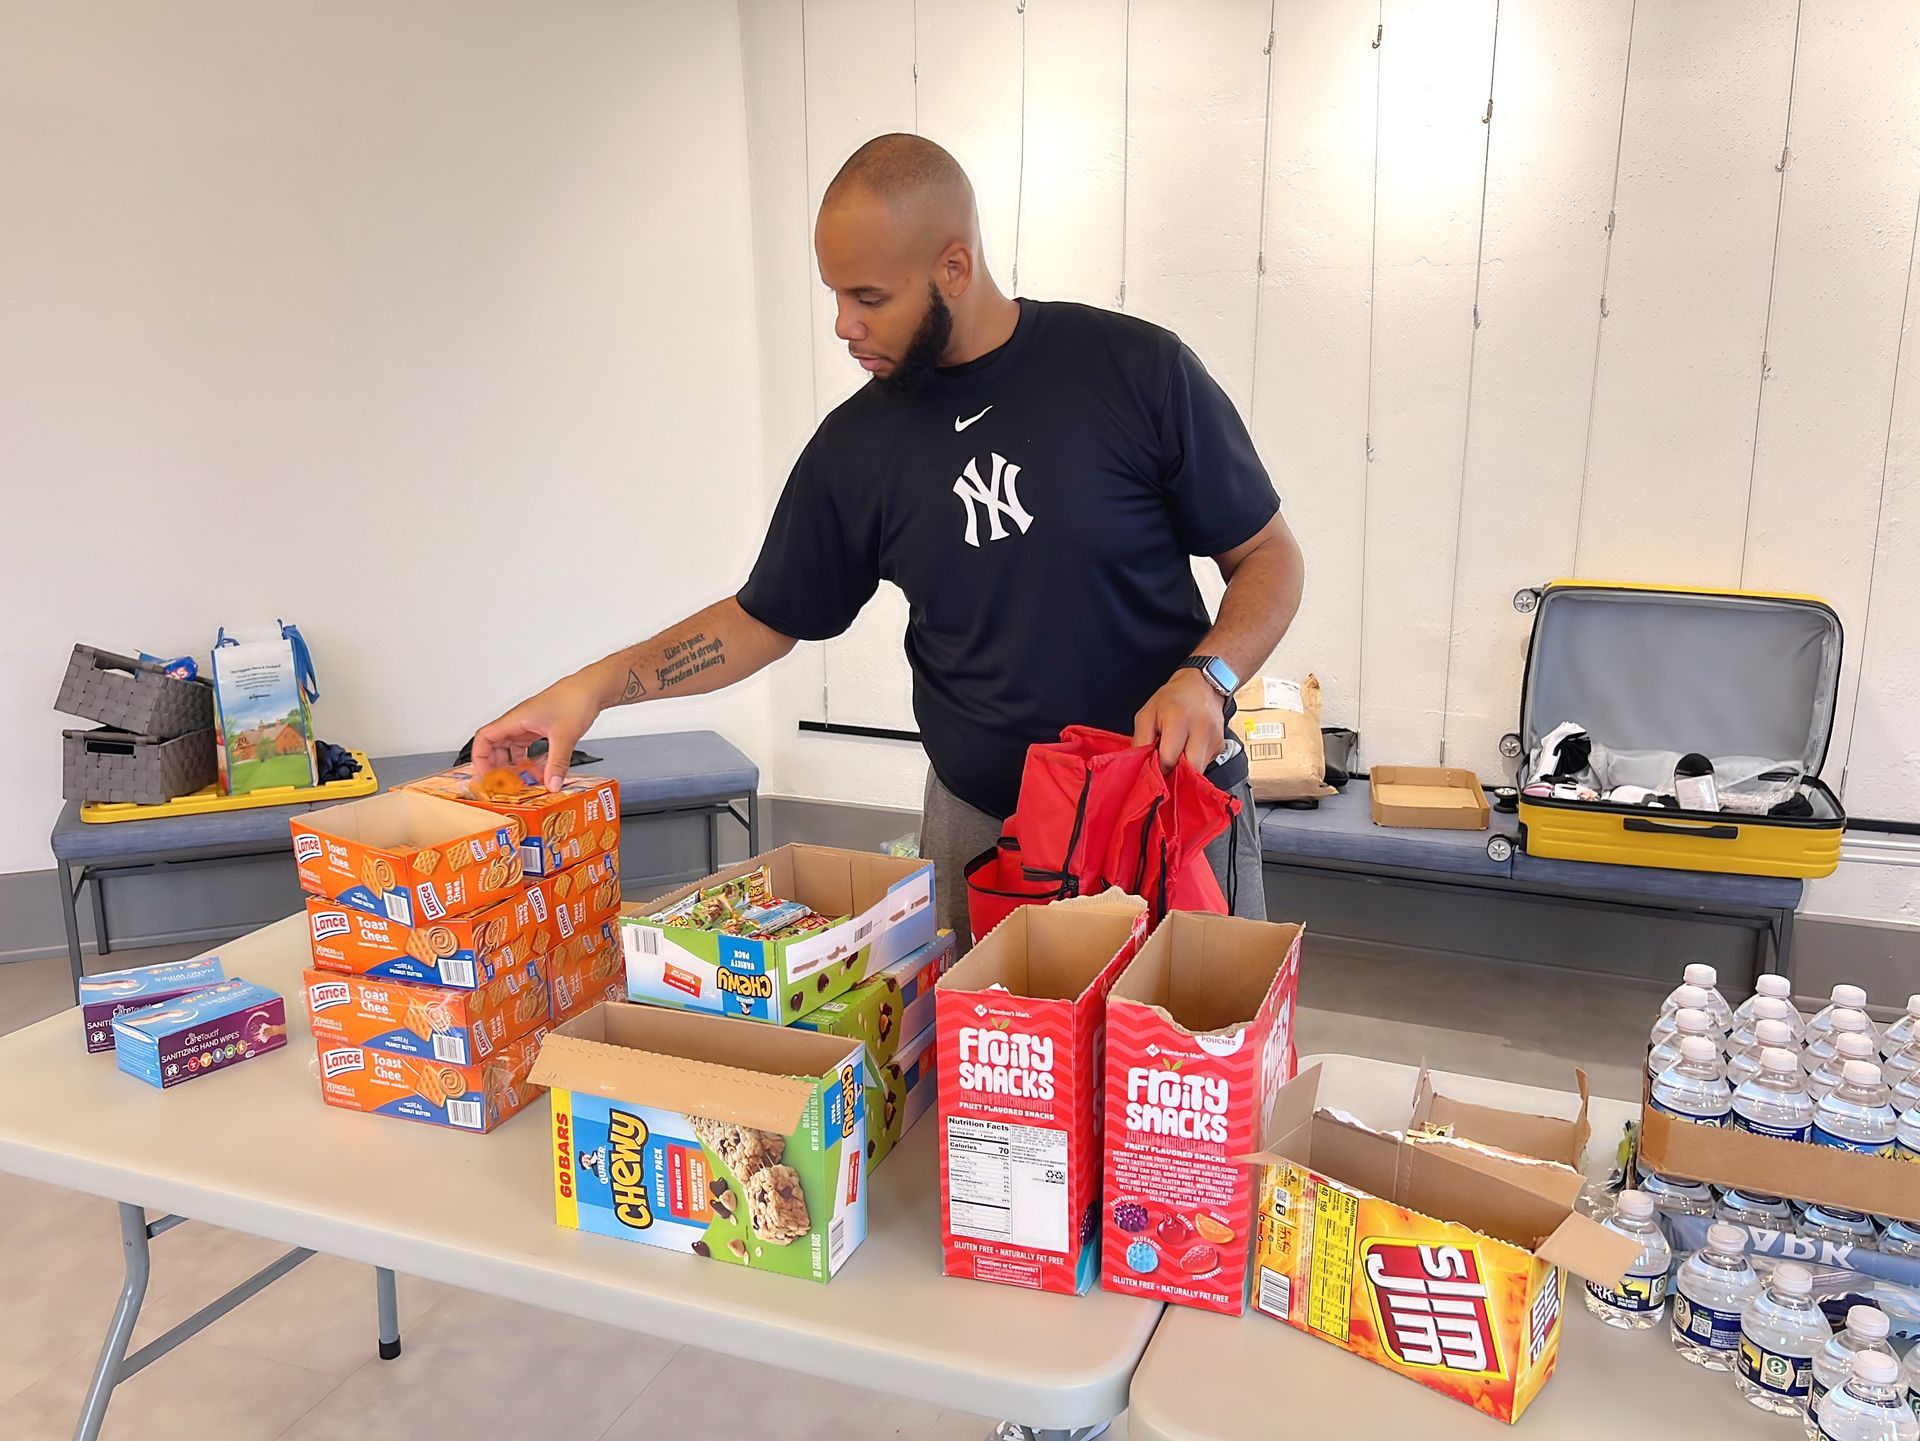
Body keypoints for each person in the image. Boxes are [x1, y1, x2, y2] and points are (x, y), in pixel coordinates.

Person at [473, 134, 1304, 943]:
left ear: (954, 266)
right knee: (979, 1086)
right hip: (985, 832)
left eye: (869, 298)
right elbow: (764, 617)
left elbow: (1269, 558)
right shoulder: (856, 448)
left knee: (1197, 1074)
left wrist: (1210, 676)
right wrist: (596, 686)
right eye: (834, 294)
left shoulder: (1135, 370)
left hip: (1164, 813)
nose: (843, 324)